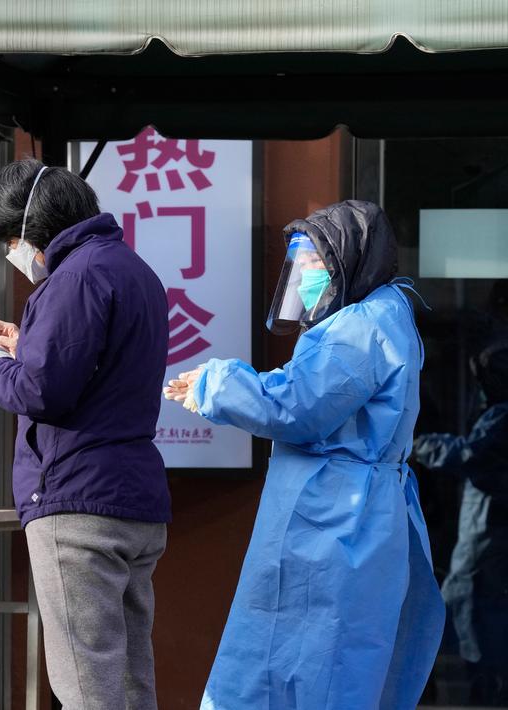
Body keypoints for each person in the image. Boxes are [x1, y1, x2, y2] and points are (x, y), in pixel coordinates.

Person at [163, 200, 445, 709]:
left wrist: (217, 382)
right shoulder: (382, 314)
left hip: (332, 520)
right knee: (335, 662)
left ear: (350, 261)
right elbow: (312, 391)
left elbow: (296, 408)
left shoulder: (361, 325)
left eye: (317, 262)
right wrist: (214, 388)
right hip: (347, 514)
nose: (306, 274)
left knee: (299, 665)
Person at [0, 159, 171, 710]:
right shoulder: (132, 269)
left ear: (30, 232)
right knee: (129, 680)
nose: (12, 255)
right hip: (134, 500)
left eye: (9, 241)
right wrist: (27, 342)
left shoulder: (73, 277)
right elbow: (93, 369)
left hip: (76, 501)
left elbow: (41, 391)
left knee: (86, 684)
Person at [414, 340, 508, 705]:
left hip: (489, 525)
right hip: (486, 523)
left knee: (465, 599)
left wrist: (418, 445)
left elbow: (469, 453)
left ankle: (486, 687)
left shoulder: (500, 416)